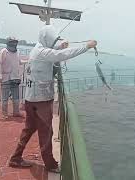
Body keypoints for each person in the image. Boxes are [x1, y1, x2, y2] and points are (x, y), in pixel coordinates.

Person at [8, 25, 97, 172]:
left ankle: (15, 158)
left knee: (28, 130)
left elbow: (53, 50)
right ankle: (50, 164)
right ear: (47, 39)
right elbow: (60, 55)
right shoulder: (43, 52)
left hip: (30, 99)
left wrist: (60, 45)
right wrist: (86, 46)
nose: (55, 42)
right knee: (46, 133)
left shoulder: (37, 48)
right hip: (41, 101)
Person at [0, 37, 24, 121]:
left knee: (16, 98)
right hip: (6, 77)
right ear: (8, 43)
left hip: (15, 77)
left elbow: (19, 62)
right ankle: (4, 114)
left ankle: (16, 112)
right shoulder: (4, 51)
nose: (14, 44)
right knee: (5, 98)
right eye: (12, 42)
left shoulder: (17, 52)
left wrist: (29, 61)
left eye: (15, 42)